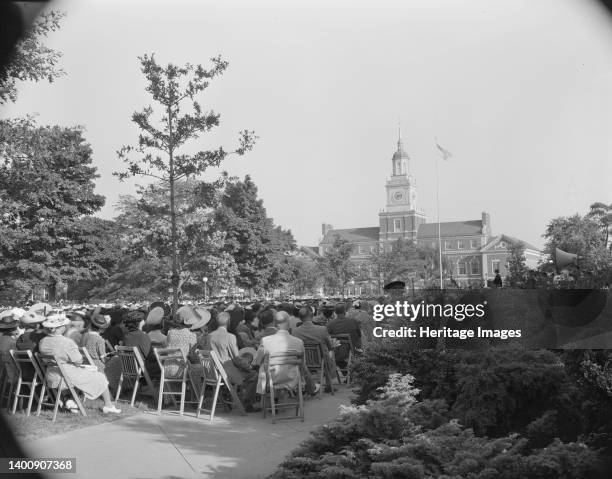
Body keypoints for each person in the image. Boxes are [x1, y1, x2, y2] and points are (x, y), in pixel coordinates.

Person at [38, 314, 121, 414]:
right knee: (100, 377)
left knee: (86, 374)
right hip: (66, 376)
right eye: (64, 325)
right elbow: (78, 361)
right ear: (61, 328)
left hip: (51, 376)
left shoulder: (43, 342)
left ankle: (72, 401)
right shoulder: (66, 342)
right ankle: (108, 405)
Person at [253, 311, 320, 397]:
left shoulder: (265, 341)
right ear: (288, 324)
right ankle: (310, 388)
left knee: (263, 365)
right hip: (293, 379)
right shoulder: (298, 342)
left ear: (275, 324)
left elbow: (256, 361)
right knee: (302, 366)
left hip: (271, 379)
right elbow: (303, 363)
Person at [202, 312, 259, 412]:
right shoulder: (230, 337)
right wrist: (248, 367)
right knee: (253, 375)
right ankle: (247, 403)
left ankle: (227, 395)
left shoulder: (209, 336)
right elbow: (236, 359)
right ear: (228, 323)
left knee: (244, 370)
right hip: (226, 372)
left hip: (212, 373)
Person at [292, 306, 336, 392]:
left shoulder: (295, 332)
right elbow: (330, 346)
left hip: (303, 361)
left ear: (300, 317)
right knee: (330, 353)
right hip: (320, 360)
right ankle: (329, 384)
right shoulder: (322, 329)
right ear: (312, 315)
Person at [327, 303, 362, 368]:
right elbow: (359, 336)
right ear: (345, 311)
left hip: (336, 353)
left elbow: (327, 338)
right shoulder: (353, 322)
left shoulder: (330, 324)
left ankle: (344, 370)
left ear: (335, 312)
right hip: (352, 352)